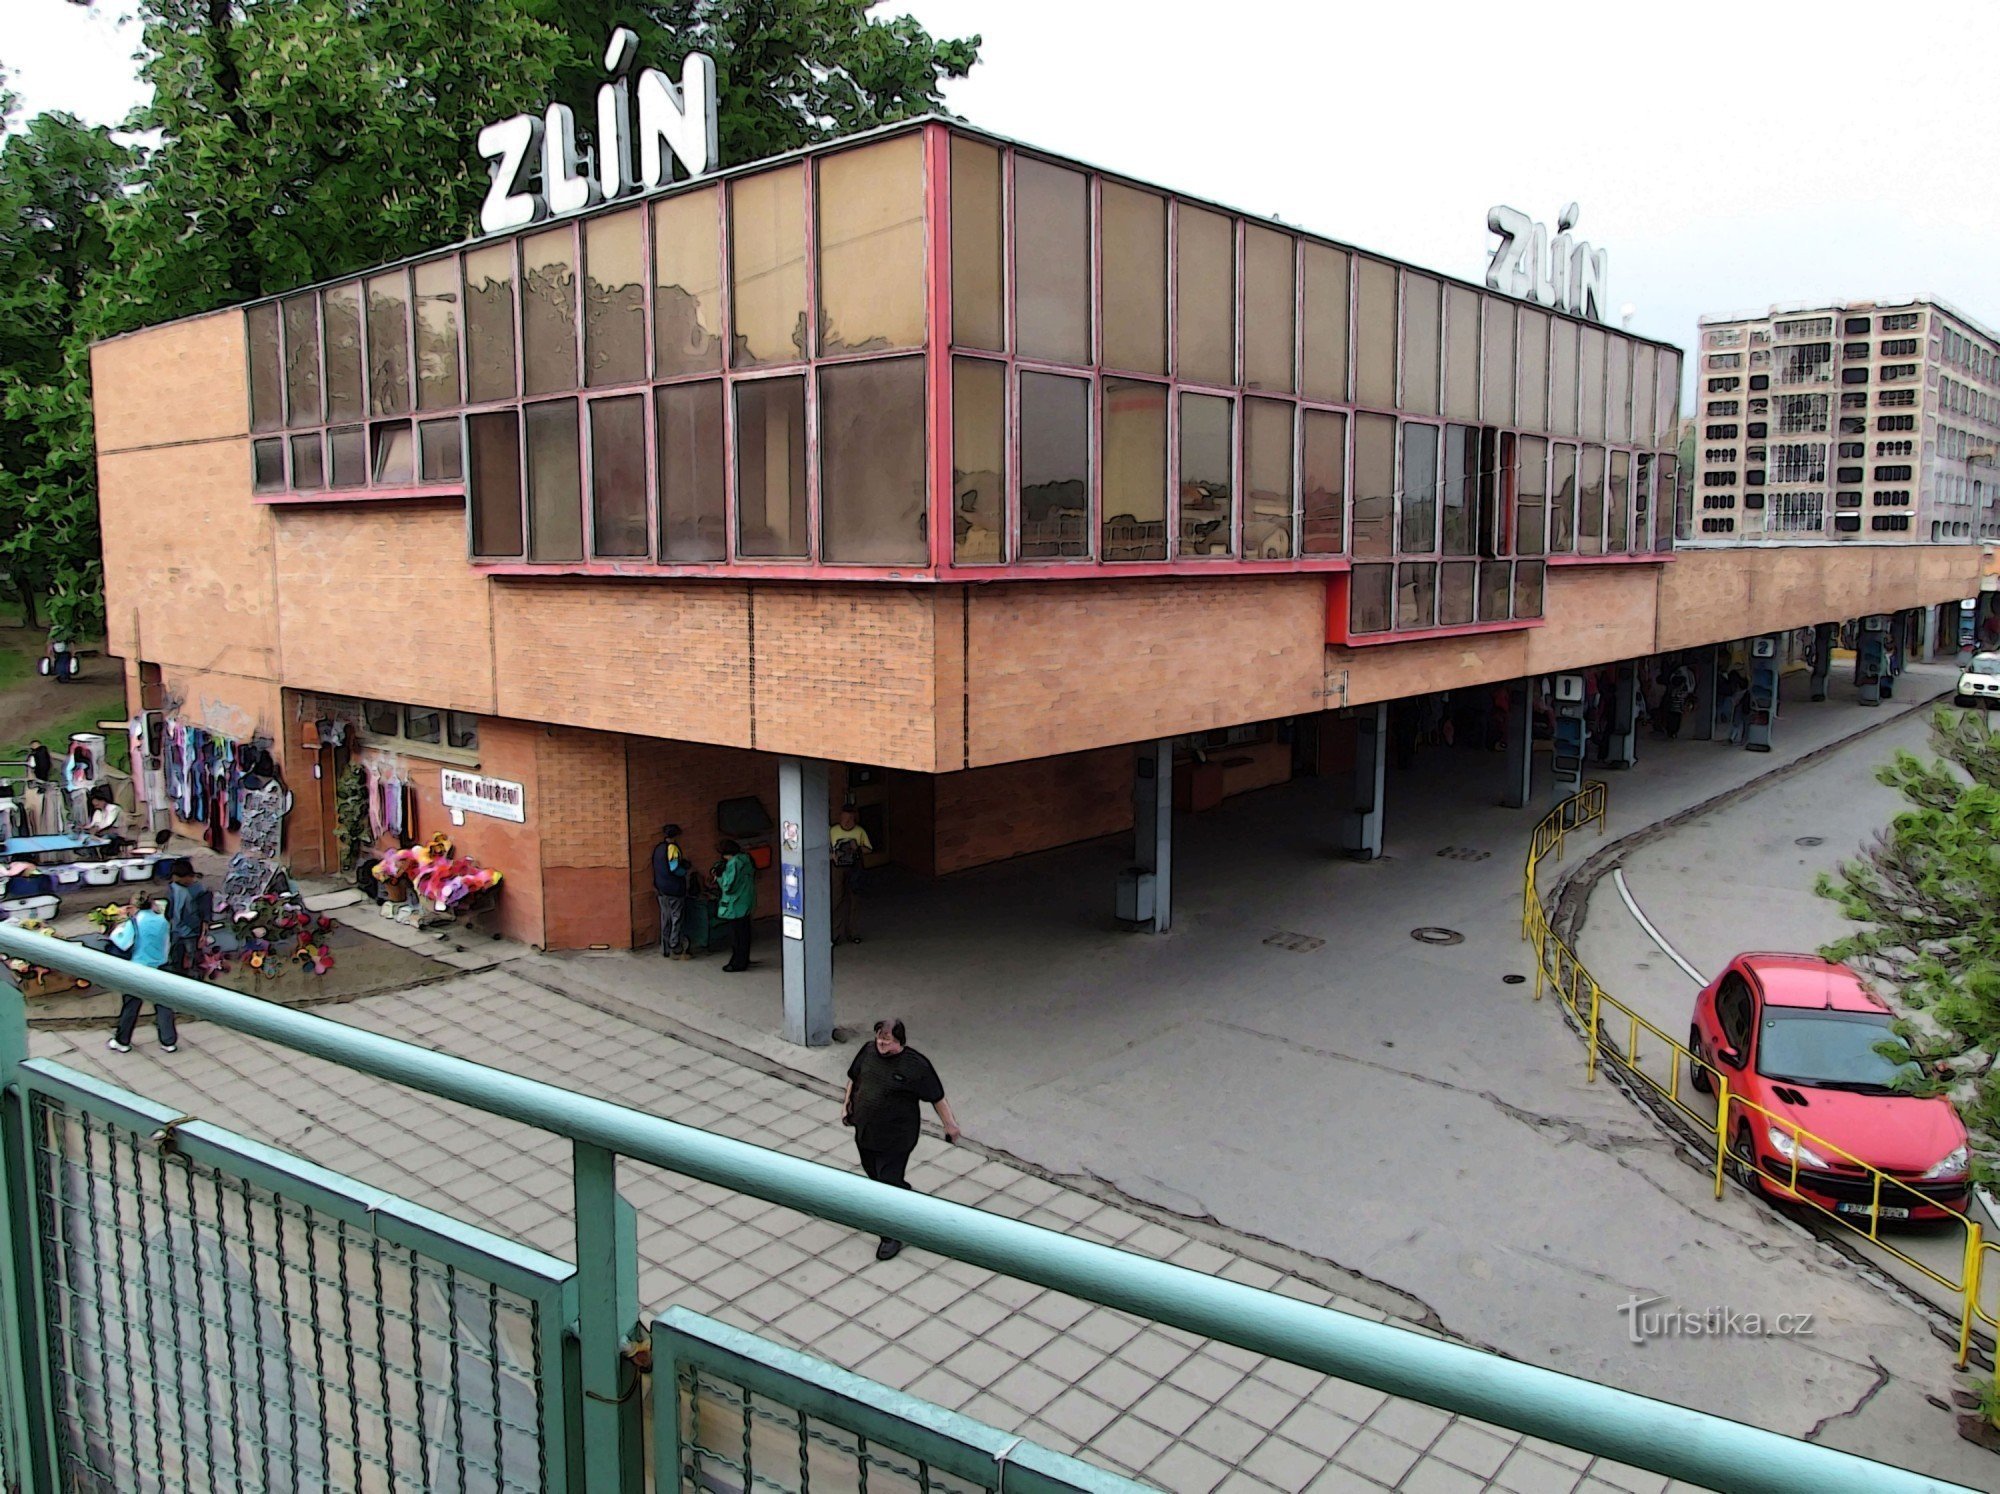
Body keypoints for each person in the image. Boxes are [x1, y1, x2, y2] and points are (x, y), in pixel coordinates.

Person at [841, 1019, 960, 1261]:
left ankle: (891, 1234)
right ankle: (904, 1195)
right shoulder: (867, 1052)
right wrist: (846, 1106)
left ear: (900, 1041)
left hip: (897, 1138)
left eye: (887, 1040)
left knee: (885, 1186)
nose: (881, 1044)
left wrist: (950, 1124)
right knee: (874, 1176)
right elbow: (854, 1079)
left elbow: (937, 1097)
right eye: (879, 1038)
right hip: (865, 1131)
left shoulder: (915, 1066)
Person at [106, 895, 177, 1053]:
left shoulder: (135, 922)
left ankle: (122, 1041)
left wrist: (117, 927)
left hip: (138, 968)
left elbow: (122, 943)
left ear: (134, 906)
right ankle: (168, 1041)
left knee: (131, 1005)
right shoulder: (162, 921)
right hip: (161, 965)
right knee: (164, 1005)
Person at [829, 806, 873, 945]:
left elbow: (869, 850)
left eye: (849, 819)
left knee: (854, 900)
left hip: (854, 868)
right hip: (838, 868)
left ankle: (853, 932)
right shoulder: (833, 831)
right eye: (844, 818)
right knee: (836, 900)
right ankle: (835, 934)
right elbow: (826, 848)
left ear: (854, 819)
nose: (846, 822)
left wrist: (858, 848)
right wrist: (832, 856)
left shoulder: (860, 832)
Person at [713, 838, 756, 973]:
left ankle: (737, 963)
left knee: (737, 935)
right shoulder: (746, 859)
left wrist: (719, 877)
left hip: (736, 904)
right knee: (745, 933)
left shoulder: (734, 863)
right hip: (746, 901)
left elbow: (728, 886)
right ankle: (744, 959)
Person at [166, 859, 214, 979]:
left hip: (192, 932)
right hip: (176, 930)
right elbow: (170, 907)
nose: (175, 880)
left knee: (193, 958)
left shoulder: (199, 891)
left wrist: (203, 934)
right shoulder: (173, 887)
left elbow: (205, 914)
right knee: (175, 956)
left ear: (187, 877)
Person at [652, 822, 693, 959]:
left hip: (661, 888)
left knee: (665, 918)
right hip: (674, 888)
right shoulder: (673, 848)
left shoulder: (658, 848)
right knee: (676, 917)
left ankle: (664, 948)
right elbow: (675, 868)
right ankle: (675, 944)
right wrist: (685, 870)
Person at [63, 743, 94, 833]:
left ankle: (78, 827)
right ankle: (80, 827)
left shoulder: (72, 766)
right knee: (80, 811)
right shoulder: (81, 766)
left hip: (74, 791)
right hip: (79, 790)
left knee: (77, 811)